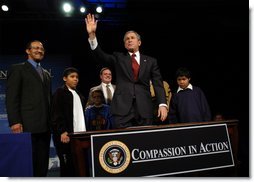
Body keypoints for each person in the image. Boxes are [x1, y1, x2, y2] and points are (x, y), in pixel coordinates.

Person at [85, 14, 168, 128]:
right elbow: (100, 56)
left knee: (144, 142)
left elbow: (158, 84)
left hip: (144, 109)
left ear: (139, 42)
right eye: (127, 39)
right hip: (122, 111)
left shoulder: (150, 61)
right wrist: (92, 35)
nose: (129, 40)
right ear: (124, 44)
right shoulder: (118, 58)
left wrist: (162, 104)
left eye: (132, 38)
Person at [6, 40, 51, 177]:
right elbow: (12, 97)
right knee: (28, 164)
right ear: (28, 51)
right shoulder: (18, 69)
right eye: (36, 48)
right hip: (27, 125)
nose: (39, 50)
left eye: (42, 48)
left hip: (45, 127)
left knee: (42, 164)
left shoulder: (46, 74)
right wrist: (14, 121)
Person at [51, 67, 86, 177]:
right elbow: (56, 113)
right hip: (66, 136)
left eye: (77, 77)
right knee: (67, 167)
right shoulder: (60, 92)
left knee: (80, 166)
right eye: (72, 77)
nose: (75, 79)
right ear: (64, 78)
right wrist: (62, 131)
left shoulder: (79, 95)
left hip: (80, 136)